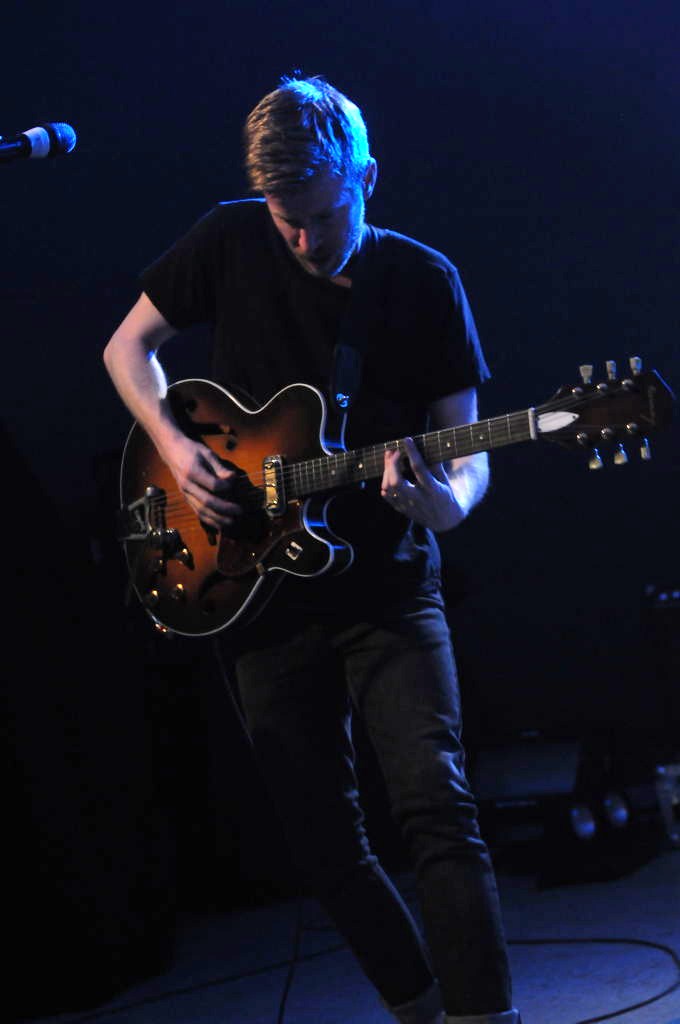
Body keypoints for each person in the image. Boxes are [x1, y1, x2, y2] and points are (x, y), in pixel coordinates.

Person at [104, 75, 521, 1024]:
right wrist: (174, 445)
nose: (301, 240)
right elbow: (127, 350)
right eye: (284, 220)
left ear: (367, 177)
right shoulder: (228, 237)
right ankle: (417, 1006)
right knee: (322, 836)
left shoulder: (422, 281)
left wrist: (445, 507)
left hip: (387, 588)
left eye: (322, 217)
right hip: (255, 587)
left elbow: (468, 448)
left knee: (438, 811)